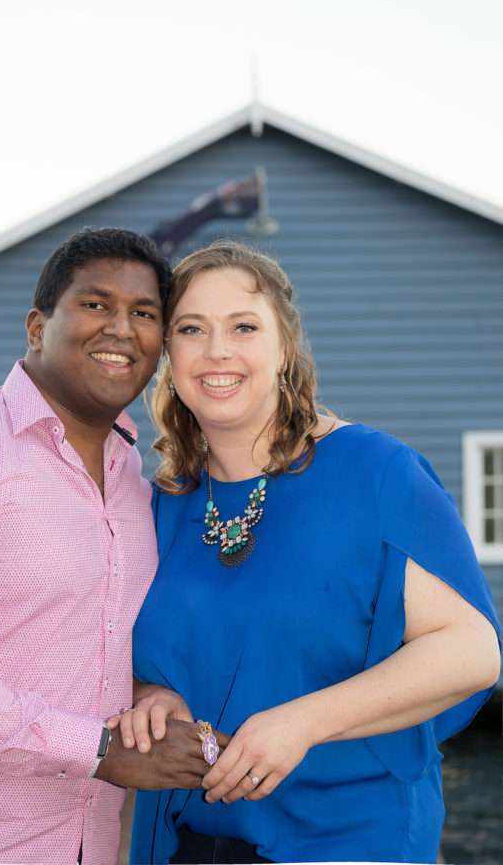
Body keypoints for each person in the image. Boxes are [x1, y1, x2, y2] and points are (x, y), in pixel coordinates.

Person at [121, 240, 501, 865]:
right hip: (186, 843)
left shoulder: (375, 472)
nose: (217, 350)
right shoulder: (162, 504)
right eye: (192, 329)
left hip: (346, 841)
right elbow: (149, 654)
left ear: (283, 349)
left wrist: (300, 723)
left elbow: (473, 651)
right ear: (170, 355)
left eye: (243, 326)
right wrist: (152, 695)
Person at [0, 227, 222, 865]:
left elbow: (82, 652)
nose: (120, 328)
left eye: (144, 314)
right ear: (36, 326)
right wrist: (101, 751)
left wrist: (146, 698)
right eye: (95, 304)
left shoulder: (133, 485)